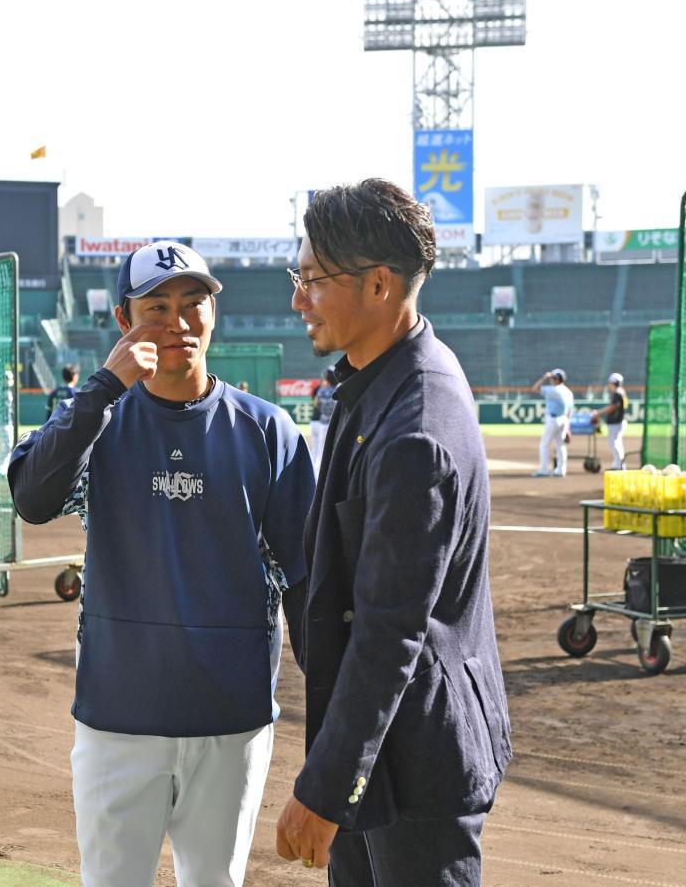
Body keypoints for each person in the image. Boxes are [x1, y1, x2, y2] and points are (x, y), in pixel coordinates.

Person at [8, 240, 315, 887]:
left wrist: (332, 727)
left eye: (193, 303)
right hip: (120, 719)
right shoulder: (98, 421)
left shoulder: (265, 430)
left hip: (230, 720)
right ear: (124, 322)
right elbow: (33, 499)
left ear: (213, 312)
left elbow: (305, 578)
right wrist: (102, 387)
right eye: (157, 307)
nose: (177, 321)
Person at [275, 179, 512, 886]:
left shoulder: (415, 426)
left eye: (313, 279)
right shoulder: (375, 380)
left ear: (378, 285)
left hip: (416, 766)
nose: (298, 298)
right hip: (379, 759)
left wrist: (326, 788)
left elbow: (388, 630)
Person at [531, 368, 574, 477]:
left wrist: (544, 378)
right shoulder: (568, 391)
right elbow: (570, 411)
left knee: (544, 445)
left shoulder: (553, 390)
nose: (552, 380)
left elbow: (535, 388)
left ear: (557, 379)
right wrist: (567, 427)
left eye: (553, 378)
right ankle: (561, 470)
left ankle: (544, 470)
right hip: (564, 419)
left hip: (553, 419)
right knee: (560, 445)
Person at [591, 372, 628, 470]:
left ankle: (619, 465)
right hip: (619, 422)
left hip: (616, 422)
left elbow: (613, 407)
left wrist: (599, 413)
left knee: (614, 443)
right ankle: (618, 465)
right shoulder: (621, 392)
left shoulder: (617, 393)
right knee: (616, 443)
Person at [308, 366, 338, 478]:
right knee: (328, 452)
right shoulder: (339, 389)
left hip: (322, 422)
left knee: (319, 451)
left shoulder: (321, 390)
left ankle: (315, 476)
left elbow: (317, 404)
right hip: (332, 424)